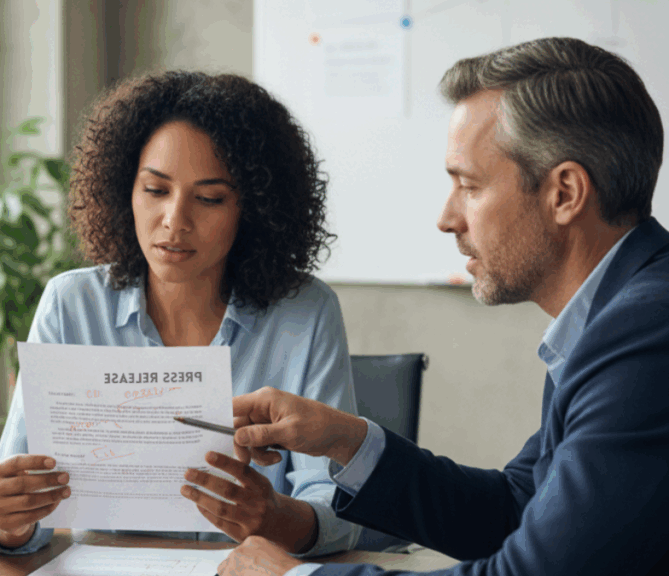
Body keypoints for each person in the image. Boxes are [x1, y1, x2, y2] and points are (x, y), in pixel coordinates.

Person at [218, 37, 669, 576]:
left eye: (469, 186)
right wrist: (348, 439)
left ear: (565, 193)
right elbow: (516, 507)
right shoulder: (615, 313)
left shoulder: (646, 333)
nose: (447, 218)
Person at [0, 70, 363, 558]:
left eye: (210, 198)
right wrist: (8, 519)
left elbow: (339, 509)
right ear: (123, 189)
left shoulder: (304, 313)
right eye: (156, 190)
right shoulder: (71, 305)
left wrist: (277, 518)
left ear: (253, 208)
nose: (175, 221)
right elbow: (7, 496)